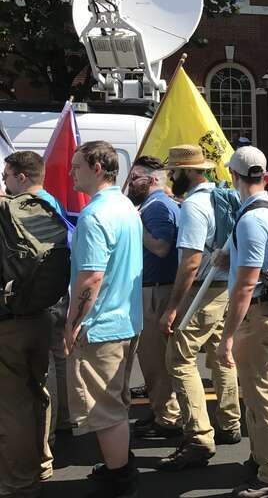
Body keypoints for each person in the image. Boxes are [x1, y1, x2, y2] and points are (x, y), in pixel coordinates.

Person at [65, 140, 143, 497]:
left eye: (76, 166)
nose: (71, 173)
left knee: (104, 409)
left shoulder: (95, 214)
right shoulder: (125, 206)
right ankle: (119, 467)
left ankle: (120, 477)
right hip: (126, 319)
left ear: (97, 168)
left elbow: (91, 277)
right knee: (115, 404)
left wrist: (72, 323)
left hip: (101, 326)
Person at [157, 145, 241, 471]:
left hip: (203, 290)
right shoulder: (220, 197)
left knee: (178, 358)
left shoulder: (193, 205)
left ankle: (198, 438)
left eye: (174, 171)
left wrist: (172, 308)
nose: (170, 176)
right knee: (221, 354)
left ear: (190, 171)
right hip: (223, 288)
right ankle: (229, 422)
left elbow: (191, 262)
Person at [215, 146, 268, 498]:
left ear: (234, 176)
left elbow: (246, 284)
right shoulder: (267, 209)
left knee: (261, 397)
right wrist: (230, 256)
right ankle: (261, 458)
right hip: (265, 312)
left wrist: (227, 337)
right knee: (258, 393)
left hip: (256, 315)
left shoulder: (252, 219)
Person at [0, 151, 66, 497]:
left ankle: (18, 481)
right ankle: (42, 463)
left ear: (19, 176)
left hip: (8, 320)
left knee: (12, 405)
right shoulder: (38, 209)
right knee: (37, 392)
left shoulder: (6, 213)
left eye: (6, 176)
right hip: (40, 313)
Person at [126, 156, 182, 439]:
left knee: (154, 360)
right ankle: (162, 408)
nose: (130, 182)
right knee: (156, 358)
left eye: (135, 178)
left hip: (156, 291)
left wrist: (136, 224)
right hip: (155, 289)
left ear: (152, 180)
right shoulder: (156, 204)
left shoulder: (158, 206)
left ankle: (167, 418)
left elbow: (161, 247)